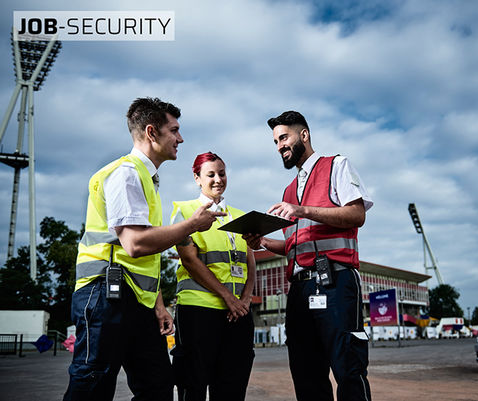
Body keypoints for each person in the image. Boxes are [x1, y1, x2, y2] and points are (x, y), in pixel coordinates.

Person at [64, 98, 225, 401]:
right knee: (93, 382)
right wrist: (191, 225)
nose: (180, 138)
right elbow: (135, 244)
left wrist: (158, 305)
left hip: (136, 300)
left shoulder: (147, 180)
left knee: (158, 386)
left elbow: (147, 255)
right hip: (105, 295)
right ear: (152, 132)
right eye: (174, 130)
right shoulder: (126, 174)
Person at [244, 111, 373, 401]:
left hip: (336, 283)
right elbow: (293, 245)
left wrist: (302, 210)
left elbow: (357, 214)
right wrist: (262, 241)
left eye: (284, 137)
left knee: (348, 369)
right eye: (276, 141)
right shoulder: (289, 189)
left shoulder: (336, 166)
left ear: (304, 135)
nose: (279, 146)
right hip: (299, 290)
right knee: (306, 374)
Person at [170, 152, 256, 401]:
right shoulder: (185, 211)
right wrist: (229, 297)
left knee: (233, 385)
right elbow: (190, 260)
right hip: (199, 311)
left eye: (222, 173)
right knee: (194, 383)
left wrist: (245, 300)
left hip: (237, 313)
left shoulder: (241, 216)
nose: (218, 179)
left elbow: (250, 262)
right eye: (210, 175)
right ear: (197, 178)